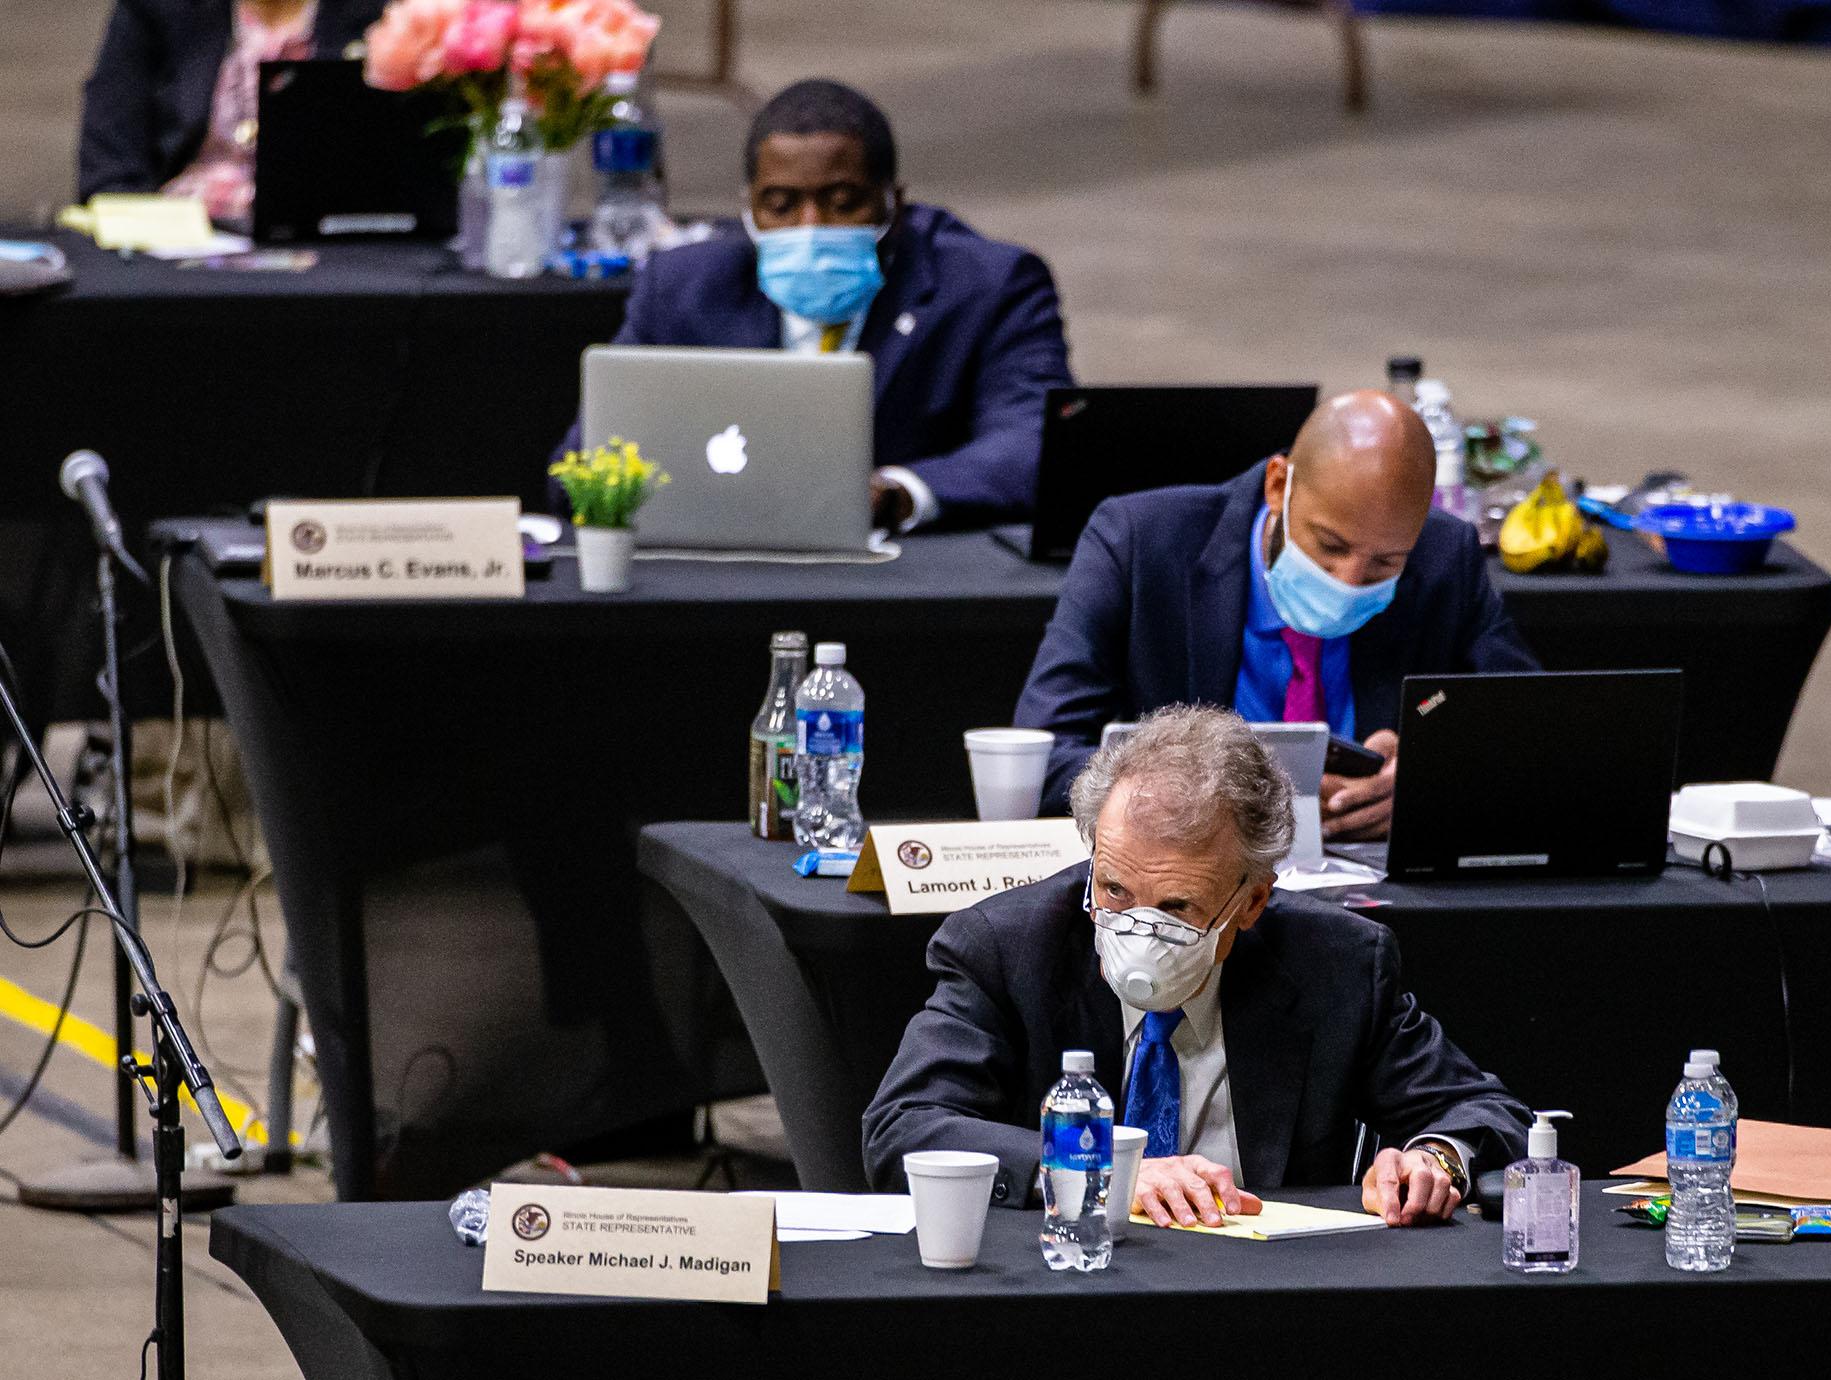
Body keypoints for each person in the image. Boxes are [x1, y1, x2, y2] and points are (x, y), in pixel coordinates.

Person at [863, 706, 1530, 1226]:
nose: (1136, 925)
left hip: (1269, 1296)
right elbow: (904, 1127)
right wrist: (1096, 1172)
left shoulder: (1337, 962)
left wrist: (1432, 1160)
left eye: (1177, 905)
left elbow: (1488, 1111)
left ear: (1252, 901)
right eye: (1115, 891)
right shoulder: (1007, 947)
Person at [1014, 388, 1537, 838]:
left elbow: (1534, 733)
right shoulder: (1139, 543)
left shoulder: (1446, 557)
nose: (1348, 581)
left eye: (1385, 563)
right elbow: (1041, 760)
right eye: (1329, 545)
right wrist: (1217, 798)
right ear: (1278, 485)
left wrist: (1427, 783)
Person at [555, 78, 1073, 531]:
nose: (811, 227)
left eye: (843, 203)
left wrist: (899, 493)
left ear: (894, 202)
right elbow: (585, 462)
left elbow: (1033, 442)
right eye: (780, 206)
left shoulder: (991, 286)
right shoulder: (682, 286)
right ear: (750, 209)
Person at [78, 0, 387, 221]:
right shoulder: (159, 10)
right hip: (178, 242)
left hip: (327, 242)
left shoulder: (380, 14)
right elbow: (109, 170)